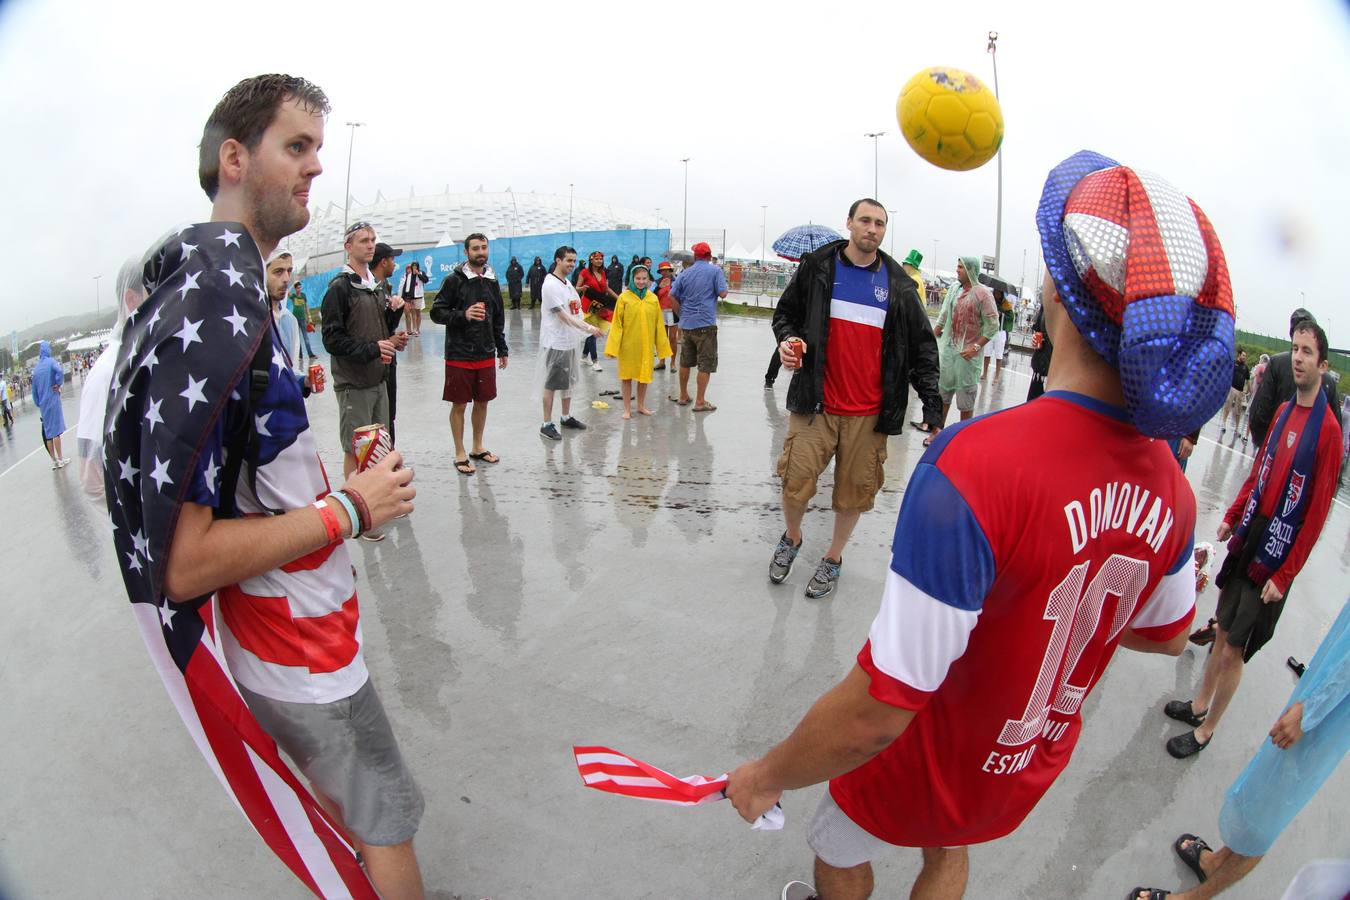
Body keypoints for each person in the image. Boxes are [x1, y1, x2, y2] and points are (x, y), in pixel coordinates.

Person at [729, 150, 1235, 900]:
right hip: (1021, 758)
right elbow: (1165, 633)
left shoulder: (982, 464)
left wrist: (764, 774)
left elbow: (881, 707)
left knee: (835, 841)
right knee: (947, 850)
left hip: (924, 747)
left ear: (1058, 297)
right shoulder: (1173, 489)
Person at [102, 74, 424, 899]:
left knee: (354, 817)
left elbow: (243, 463)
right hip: (298, 649)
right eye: (297, 147)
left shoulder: (232, 288)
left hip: (303, 625)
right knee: (383, 820)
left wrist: (336, 480)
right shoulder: (218, 301)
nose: (315, 166)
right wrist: (350, 508)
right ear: (235, 158)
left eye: (318, 148)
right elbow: (186, 562)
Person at [1165, 319, 1342, 758]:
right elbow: (1258, 472)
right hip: (1252, 535)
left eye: (1307, 352)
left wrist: (1284, 574)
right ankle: (1198, 704)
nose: (1298, 358)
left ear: (1322, 363)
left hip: (1278, 550)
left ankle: (1208, 730)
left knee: (1235, 650)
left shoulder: (1330, 433)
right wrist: (1232, 516)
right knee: (1222, 627)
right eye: (1295, 348)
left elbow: (1316, 516)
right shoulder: (1284, 412)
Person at [768, 198, 941, 600]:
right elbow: (786, 315)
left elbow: (923, 350)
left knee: (853, 493)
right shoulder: (818, 269)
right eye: (865, 220)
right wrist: (788, 341)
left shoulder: (899, 286)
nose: (873, 229)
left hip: (870, 414)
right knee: (795, 481)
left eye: (880, 223)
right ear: (849, 223)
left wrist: (932, 408)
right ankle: (792, 537)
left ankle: (833, 558)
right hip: (816, 404)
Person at [1129, 597, 1350, 900]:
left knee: (1271, 811)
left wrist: (1312, 710)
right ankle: (1215, 862)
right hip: (1326, 692)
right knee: (1264, 788)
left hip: (1331, 713)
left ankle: (1192, 898)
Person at [321, 222, 407, 498]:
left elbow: (378, 331)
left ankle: (377, 500)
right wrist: (373, 348)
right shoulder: (340, 288)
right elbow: (332, 340)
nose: (370, 245)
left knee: (378, 446)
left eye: (372, 240)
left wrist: (393, 319)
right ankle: (355, 507)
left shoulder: (374, 286)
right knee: (355, 449)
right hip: (353, 384)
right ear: (348, 247)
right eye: (363, 241)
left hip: (378, 379)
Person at [430, 232, 507, 476]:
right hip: (459, 353)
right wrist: (463, 314)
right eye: (475, 248)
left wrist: (501, 348)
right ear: (466, 252)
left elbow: (498, 317)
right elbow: (436, 312)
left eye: (484, 247)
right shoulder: (454, 280)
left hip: (485, 351)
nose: (480, 252)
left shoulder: (492, 280)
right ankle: (460, 452)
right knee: (460, 404)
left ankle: (477, 446)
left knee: (483, 401)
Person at [927, 256, 997, 445]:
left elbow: (993, 326)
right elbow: (942, 318)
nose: (957, 270)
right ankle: (936, 432)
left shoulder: (983, 294)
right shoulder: (953, 290)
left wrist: (975, 347)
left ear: (971, 270)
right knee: (943, 393)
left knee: (966, 398)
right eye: (957, 266)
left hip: (968, 357)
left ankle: (962, 439)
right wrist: (930, 339)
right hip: (949, 352)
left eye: (961, 267)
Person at [1247, 309, 1340, 446]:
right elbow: (1335, 437)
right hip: (1306, 457)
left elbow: (1258, 415)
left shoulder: (1277, 363)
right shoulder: (1327, 381)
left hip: (1272, 448)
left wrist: (1267, 448)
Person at [536, 245, 600, 440]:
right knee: (552, 383)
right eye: (568, 260)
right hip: (556, 343)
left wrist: (584, 326)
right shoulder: (550, 285)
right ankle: (546, 423)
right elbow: (562, 316)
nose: (572, 264)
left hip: (570, 341)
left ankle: (566, 416)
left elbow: (575, 309)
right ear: (558, 260)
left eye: (573, 261)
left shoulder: (566, 283)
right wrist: (588, 329)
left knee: (568, 382)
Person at [606, 264, 672, 419]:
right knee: (627, 377)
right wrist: (612, 348)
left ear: (649, 279)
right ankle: (627, 409)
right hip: (628, 345)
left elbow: (659, 325)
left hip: (646, 345)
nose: (641, 282)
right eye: (638, 278)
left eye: (644, 278)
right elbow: (617, 324)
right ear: (631, 279)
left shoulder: (652, 299)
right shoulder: (624, 298)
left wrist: (662, 348)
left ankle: (641, 406)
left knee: (644, 377)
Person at [669, 241, 727, 411]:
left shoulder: (685, 274)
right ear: (709, 256)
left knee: (685, 362)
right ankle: (700, 401)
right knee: (705, 364)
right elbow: (723, 293)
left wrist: (682, 314)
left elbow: (672, 296)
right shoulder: (715, 271)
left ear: (695, 256)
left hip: (686, 326)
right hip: (706, 324)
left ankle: (682, 395)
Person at [371, 242, 408, 448]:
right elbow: (373, 330)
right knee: (379, 417)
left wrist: (396, 313)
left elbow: (386, 326)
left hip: (387, 361)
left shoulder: (385, 287)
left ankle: (390, 456)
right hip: (374, 363)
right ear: (383, 262)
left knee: (389, 414)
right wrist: (389, 340)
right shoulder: (370, 288)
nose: (395, 264)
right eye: (393, 259)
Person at [267, 251, 307, 382]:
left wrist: (304, 382)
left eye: (289, 271)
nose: (286, 279)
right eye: (278, 271)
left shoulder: (289, 321)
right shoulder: (249, 319)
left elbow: (292, 371)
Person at [578, 251, 619, 371]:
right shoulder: (584, 272)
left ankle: (584, 356)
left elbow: (606, 288)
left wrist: (619, 298)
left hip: (599, 306)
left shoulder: (603, 272)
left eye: (601, 259)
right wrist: (582, 288)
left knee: (594, 333)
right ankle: (595, 361)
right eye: (596, 259)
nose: (599, 261)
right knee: (592, 333)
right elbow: (576, 287)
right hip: (588, 306)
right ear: (591, 260)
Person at [31, 341, 68, 469]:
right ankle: (61, 458)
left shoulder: (35, 370)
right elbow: (59, 371)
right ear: (48, 350)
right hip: (53, 399)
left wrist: (39, 403)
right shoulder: (51, 362)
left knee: (48, 433)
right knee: (56, 431)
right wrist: (58, 383)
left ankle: (53, 461)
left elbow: (34, 392)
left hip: (43, 405)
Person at [1218, 349, 1249, 436]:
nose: (1244, 357)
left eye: (1245, 356)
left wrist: (1247, 390)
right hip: (1231, 388)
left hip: (1240, 391)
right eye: (1243, 355)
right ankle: (1223, 424)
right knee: (1227, 406)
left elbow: (1248, 379)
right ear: (1239, 355)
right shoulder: (1233, 363)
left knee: (1238, 411)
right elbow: (1226, 373)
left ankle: (1237, 428)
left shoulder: (1245, 367)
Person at [1027, 303, 1053, 401]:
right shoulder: (1046, 303)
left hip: (1059, 371)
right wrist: (1035, 339)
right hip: (1040, 366)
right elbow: (1038, 329)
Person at [654, 260, 677, 371]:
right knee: (662, 338)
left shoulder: (677, 281)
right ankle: (662, 361)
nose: (665, 272)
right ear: (660, 272)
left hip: (673, 312)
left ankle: (673, 363)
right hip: (660, 312)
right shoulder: (657, 282)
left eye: (667, 270)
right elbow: (650, 295)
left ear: (670, 270)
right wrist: (659, 287)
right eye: (662, 270)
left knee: (672, 338)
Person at [288, 280, 318, 361]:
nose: (299, 289)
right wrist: (292, 285)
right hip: (295, 319)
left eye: (300, 287)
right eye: (297, 288)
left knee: (306, 337)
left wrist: (309, 317)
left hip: (303, 319)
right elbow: (288, 293)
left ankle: (310, 354)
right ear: (295, 289)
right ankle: (300, 356)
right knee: (298, 338)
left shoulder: (303, 296)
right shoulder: (293, 296)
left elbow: (306, 306)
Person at [398, 260, 428, 335]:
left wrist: (418, 274)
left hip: (419, 296)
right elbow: (407, 287)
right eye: (413, 266)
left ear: (417, 267)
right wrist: (407, 297)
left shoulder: (421, 273)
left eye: (415, 266)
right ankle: (413, 329)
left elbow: (426, 280)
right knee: (412, 312)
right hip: (411, 297)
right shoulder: (409, 275)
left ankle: (417, 329)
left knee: (418, 312)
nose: (414, 267)